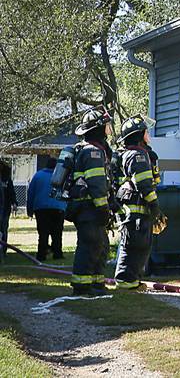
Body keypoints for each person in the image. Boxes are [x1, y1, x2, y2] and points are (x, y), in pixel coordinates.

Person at [113, 115, 165, 290]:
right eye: (145, 132)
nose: (148, 135)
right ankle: (125, 281)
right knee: (133, 245)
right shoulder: (137, 156)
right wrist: (155, 206)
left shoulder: (138, 154)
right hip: (135, 210)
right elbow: (144, 183)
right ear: (138, 135)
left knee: (139, 245)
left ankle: (131, 280)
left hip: (136, 210)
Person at [66, 109, 114, 296]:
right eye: (106, 127)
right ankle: (81, 286)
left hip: (88, 207)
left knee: (99, 246)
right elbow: (96, 183)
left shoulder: (92, 150)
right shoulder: (93, 152)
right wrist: (103, 207)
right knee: (89, 245)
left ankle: (96, 284)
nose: (108, 130)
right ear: (98, 129)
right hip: (89, 208)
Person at [26, 157, 67, 261]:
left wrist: (29, 209)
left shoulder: (38, 175)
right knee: (57, 233)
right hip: (57, 207)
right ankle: (57, 253)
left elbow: (31, 193)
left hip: (41, 208)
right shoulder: (61, 177)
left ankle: (41, 254)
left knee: (43, 233)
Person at [0, 161, 17, 258]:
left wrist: (14, 203)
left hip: (5, 208)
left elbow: (11, 192)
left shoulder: (6, 180)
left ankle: (3, 250)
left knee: (3, 229)